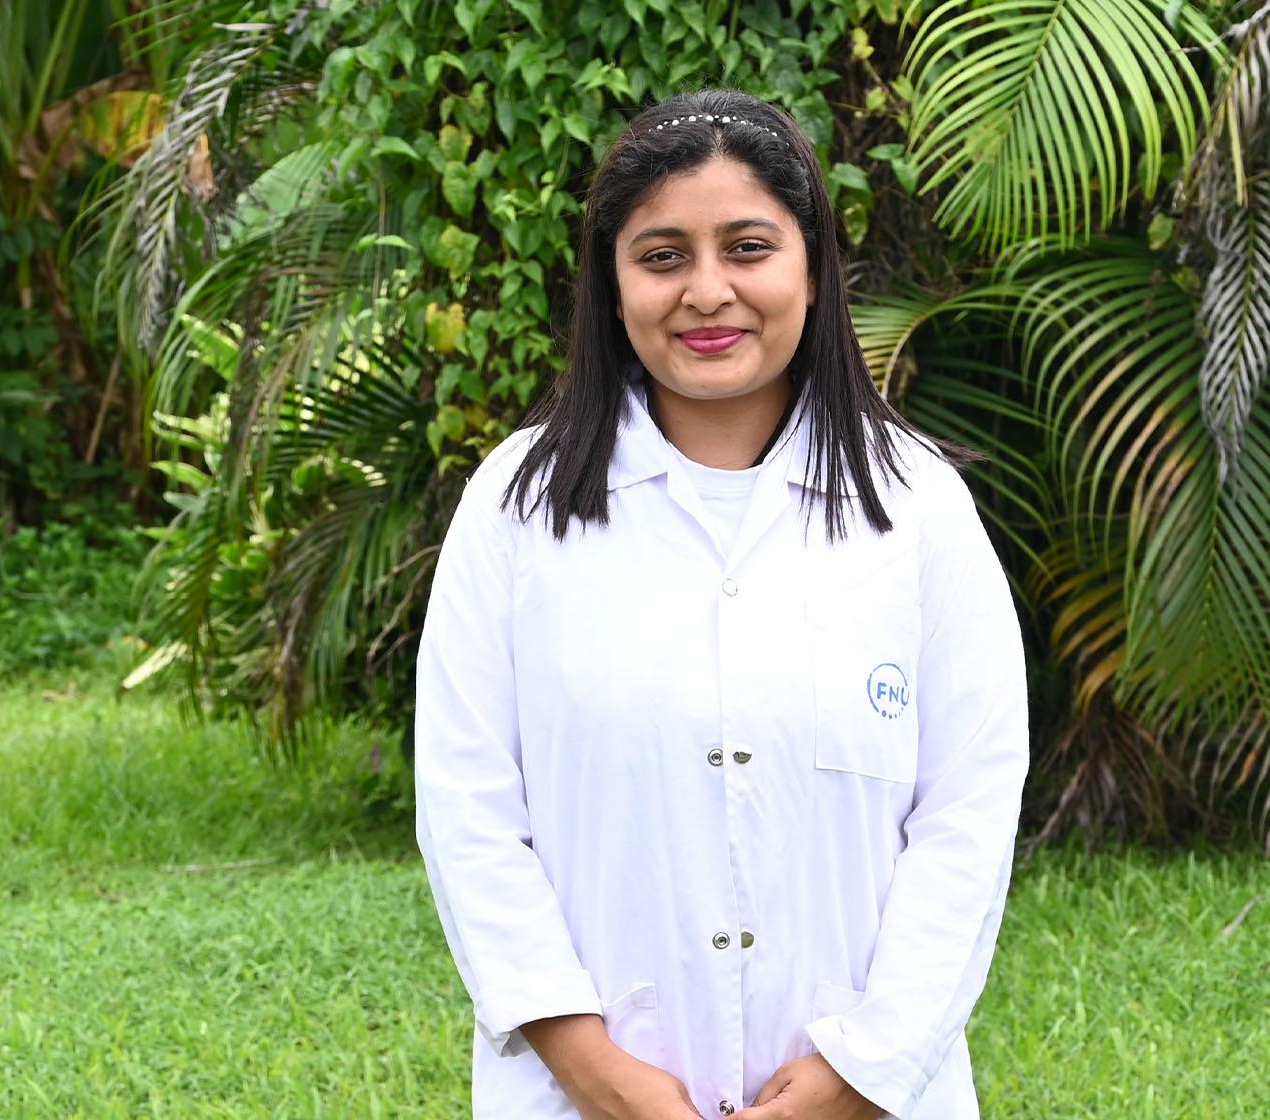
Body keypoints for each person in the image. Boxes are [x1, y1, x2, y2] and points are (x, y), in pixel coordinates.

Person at [412, 88, 1029, 1120]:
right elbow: (467, 808)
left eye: (747, 247)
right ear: (612, 286)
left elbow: (967, 813)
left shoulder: (918, 509)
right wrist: (594, 1071)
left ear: (811, 268)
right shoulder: (515, 509)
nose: (707, 292)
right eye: (661, 256)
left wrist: (865, 1072)